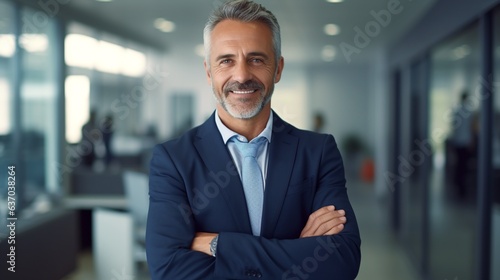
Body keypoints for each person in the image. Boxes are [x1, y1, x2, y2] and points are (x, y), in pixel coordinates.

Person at [146, 1, 361, 279]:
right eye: (226, 61)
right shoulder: (173, 160)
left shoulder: (318, 153)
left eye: (257, 59)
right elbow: (168, 270)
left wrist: (219, 245)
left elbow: (342, 261)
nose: (242, 75)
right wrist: (296, 248)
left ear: (278, 69)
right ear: (209, 72)